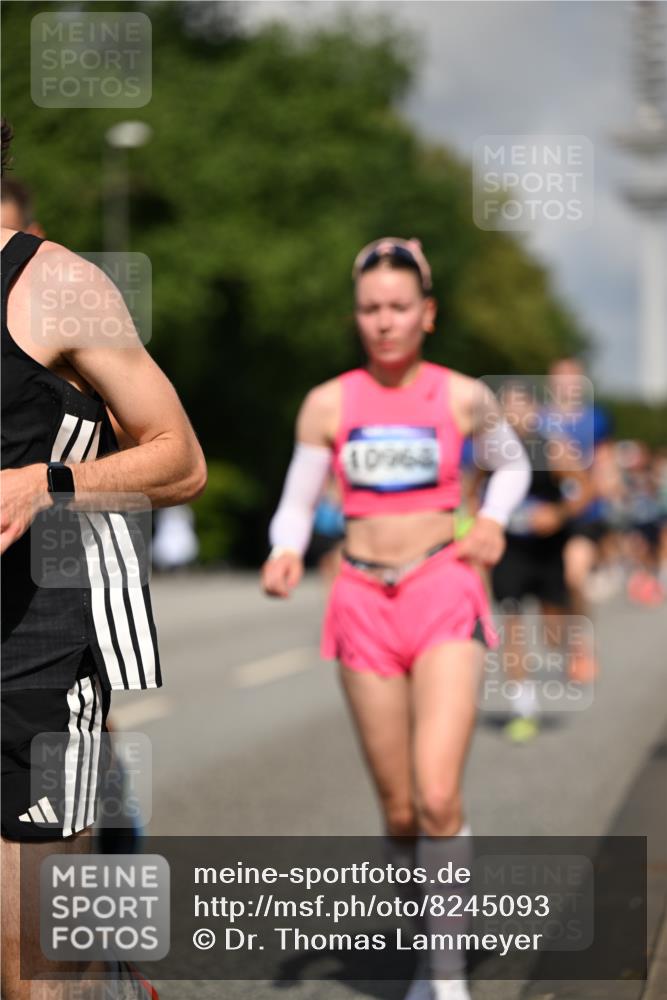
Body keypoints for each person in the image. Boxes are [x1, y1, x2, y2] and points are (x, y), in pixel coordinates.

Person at [261, 237, 530, 1000]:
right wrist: (284, 548)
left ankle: (440, 975)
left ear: (428, 314)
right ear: (358, 316)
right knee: (402, 807)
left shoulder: (461, 396)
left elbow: (510, 464)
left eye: (399, 308)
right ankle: (427, 939)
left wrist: (494, 521)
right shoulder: (328, 402)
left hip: (442, 590)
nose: (384, 322)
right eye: (371, 309)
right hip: (360, 602)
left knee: (439, 793)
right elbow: (296, 498)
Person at [1, 120, 207, 1000]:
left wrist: (47, 482)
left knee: (30, 969)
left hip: (32, 654)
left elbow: (180, 457)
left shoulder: (58, 285)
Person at [490, 381, 595, 742]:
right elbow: (471, 493)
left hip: (548, 550)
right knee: (513, 623)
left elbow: (586, 489)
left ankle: (573, 646)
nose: (515, 413)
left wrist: (558, 513)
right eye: (508, 406)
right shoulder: (489, 450)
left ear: (535, 411)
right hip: (509, 551)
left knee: (552, 633)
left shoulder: (553, 448)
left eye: (521, 405)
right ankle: (523, 706)